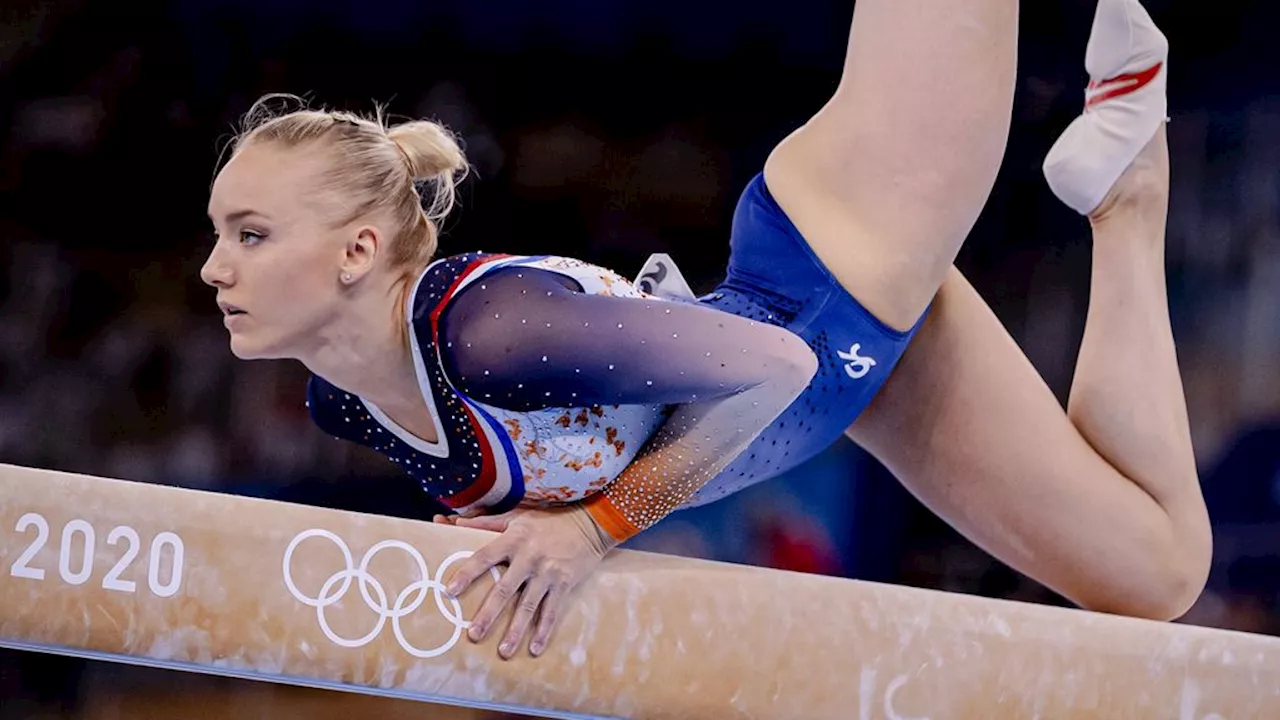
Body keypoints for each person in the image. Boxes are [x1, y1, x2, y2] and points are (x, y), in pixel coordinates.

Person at [202, 0, 1210, 661]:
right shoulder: (347, 403)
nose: (213, 267)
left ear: (355, 248)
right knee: (1154, 575)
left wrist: (590, 530)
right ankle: (1129, 190)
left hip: (838, 252)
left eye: (249, 234)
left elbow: (772, 366)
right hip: (855, 365)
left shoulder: (490, 335)